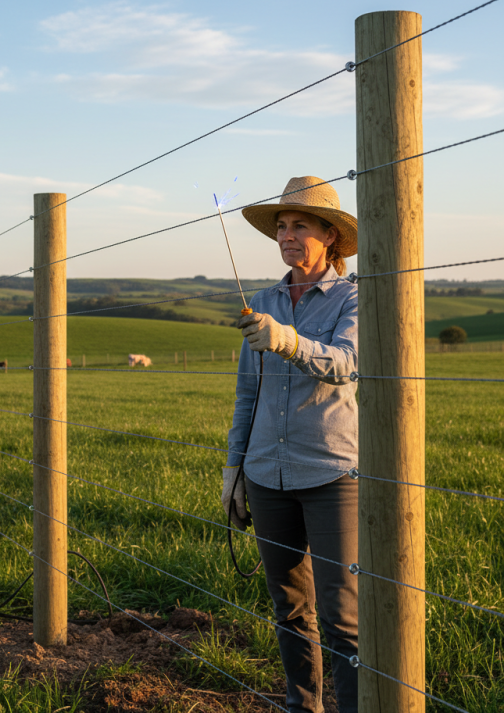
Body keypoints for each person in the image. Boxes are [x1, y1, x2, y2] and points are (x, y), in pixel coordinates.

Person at [222, 176, 359, 713]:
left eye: (300, 225)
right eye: (281, 226)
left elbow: (346, 365)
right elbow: (247, 392)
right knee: (290, 610)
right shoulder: (263, 300)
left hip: (331, 474)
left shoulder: (354, 297)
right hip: (265, 475)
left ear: (330, 235)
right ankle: (303, 706)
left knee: (343, 618)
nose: (287, 235)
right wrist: (234, 469)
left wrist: (284, 339)